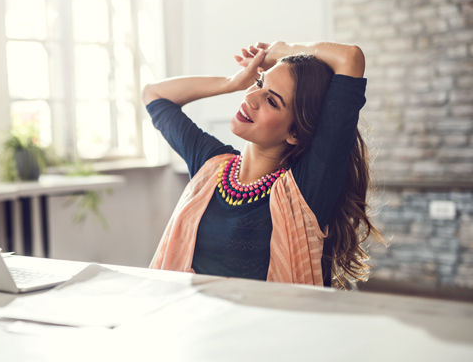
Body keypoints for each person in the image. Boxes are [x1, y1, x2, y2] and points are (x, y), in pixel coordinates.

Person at [143, 41, 385, 288]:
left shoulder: (307, 189)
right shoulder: (211, 166)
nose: (251, 97)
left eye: (272, 101)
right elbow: (153, 94)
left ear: (295, 133)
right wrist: (232, 82)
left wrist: (282, 50)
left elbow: (350, 58)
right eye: (259, 83)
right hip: (193, 322)